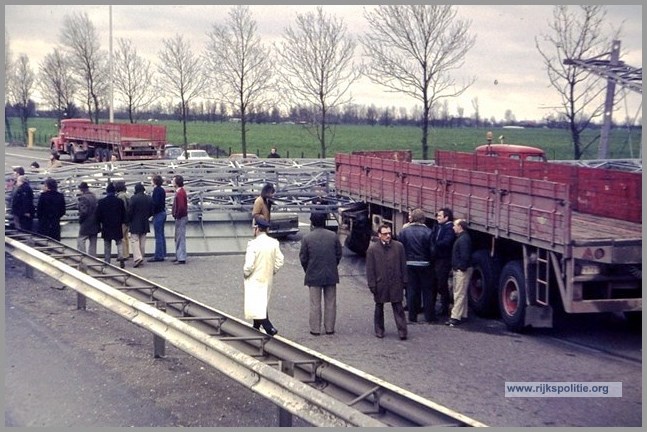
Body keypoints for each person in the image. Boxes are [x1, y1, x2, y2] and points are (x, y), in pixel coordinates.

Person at [299, 212, 343, 336]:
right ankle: (329, 328)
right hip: (330, 274)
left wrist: (308, 269)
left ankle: (315, 329)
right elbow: (338, 254)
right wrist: (333, 266)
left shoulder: (307, 238)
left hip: (313, 274)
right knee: (330, 302)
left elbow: (303, 258)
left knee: (315, 303)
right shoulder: (333, 236)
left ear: (312, 222)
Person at [365, 224, 408, 340]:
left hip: (395, 282)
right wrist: (372, 284)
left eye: (389, 233)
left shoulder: (399, 247)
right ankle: (379, 330)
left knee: (398, 306)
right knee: (379, 307)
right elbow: (370, 269)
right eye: (385, 234)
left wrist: (404, 280)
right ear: (379, 235)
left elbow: (403, 265)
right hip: (381, 283)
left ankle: (402, 331)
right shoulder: (372, 249)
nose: (388, 236)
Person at [243, 218, 284, 335]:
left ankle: (269, 327)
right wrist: (272, 271)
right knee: (261, 302)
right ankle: (255, 328)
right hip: (267, 278)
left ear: (256, 229)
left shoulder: (253, 244)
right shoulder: (274, 243)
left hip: (255, 279)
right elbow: (280, 260)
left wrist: (246, 273)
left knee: (257, 304)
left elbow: (249, 265)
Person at [397, 208, 436, 323]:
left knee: (412, 290)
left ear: (412, 218)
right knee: (427, 291)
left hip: (409, 264)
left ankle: (412, 316)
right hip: (425, 264)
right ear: (423, 219)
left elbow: (400, 248)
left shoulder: (404, 231)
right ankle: (429, 316)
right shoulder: (428, 232)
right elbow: (433, 251)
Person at [446, 219, 473, 327]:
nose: (453, 227)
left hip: (462, 270)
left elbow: (465, 256)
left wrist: (460, 268)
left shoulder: (463, 240)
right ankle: (463, 314)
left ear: (460, 227)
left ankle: (455, 317)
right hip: (463, 269)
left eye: (455, 225)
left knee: (458, 293)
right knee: (462, 293)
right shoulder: (464, 238)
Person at [95, 182, 127, 268]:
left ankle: (107, 261)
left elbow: (98, 215)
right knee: (119, 242)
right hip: (117, 224)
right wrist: (123, 222)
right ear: (114, 191)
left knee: (107, 244)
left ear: (107, 191)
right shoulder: (119, 201)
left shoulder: (102, 202)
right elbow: (123, 213)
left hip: (106, 225)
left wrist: (100, 223)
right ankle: (120, 256)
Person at [432, 207, 456, 318]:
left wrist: (436, 245)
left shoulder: (449, 228)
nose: (437, 217)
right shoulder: (438, 227)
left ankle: (445, 307)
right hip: (437, 258)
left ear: (446, 217)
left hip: (444, 259)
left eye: (440, 216)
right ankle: (440, 306)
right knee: (437, 282)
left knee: (442, 283)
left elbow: (447, 242)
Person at [128, 182, 153, 268]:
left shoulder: (133, 198)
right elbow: (151, 211)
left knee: (134, 240)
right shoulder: (148, 198)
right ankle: (141, 256)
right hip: (145, 222)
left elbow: (130, 211)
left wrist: (129, 220)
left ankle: (138, 258)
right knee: (142, 241)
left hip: (135, 222)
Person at [148, 174, 167, 262]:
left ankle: (159, 255)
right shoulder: (162, 190)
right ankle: (163, 253)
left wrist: (151, 212)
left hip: (158, 214)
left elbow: (155, 203)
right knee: (161, 234)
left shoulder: (156, 190)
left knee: (158, 235)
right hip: (162, 213)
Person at [77, 181, 99, 257]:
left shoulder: (83, 198)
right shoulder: (94, 197)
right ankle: (93, 259)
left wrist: (80, 220)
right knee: (93, 242)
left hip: (86, 223)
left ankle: (83, 257)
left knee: (81, 239)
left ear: (81, 189)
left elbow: (83, 212)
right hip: (95, 222)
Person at [171, 175, 188, 264]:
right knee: (179, 237)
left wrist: (177, 214)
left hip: (180, 217)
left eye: (173, 180)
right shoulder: (181, 191)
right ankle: (179, 255)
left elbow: (181, 206)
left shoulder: (180, 193)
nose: (172, 182)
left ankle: (181, 257)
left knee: (180, 237)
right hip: (181, 216)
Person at [114, 181, 131, 262]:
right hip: (128, 219)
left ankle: (123, 255)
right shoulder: (127, 195)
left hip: (122, 220)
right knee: (126, 237)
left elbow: (122, 208)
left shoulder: (120, 196)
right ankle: (127, 254)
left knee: (122, 238)